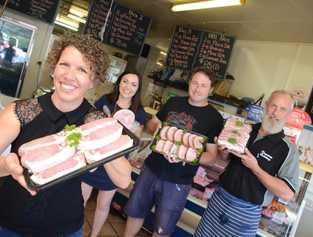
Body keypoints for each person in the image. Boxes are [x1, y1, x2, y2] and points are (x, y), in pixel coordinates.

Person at [0, 33, 132, 237]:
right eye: (64, 64)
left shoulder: (95, 121)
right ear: (54, 68)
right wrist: (6, 166)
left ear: (94, 80)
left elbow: (123, 180)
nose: (69, 76)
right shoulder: (20, 111)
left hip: (65, 228)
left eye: (82, 69)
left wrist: (102, 138)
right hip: (8, 222)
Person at [124, 67, 224, 237]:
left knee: (162, 228)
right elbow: (151, 124)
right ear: (189, 83)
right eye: (195, 83)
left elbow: (212, 158)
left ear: (211, 89)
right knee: (135, 213)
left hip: (178, 181)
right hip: (151, 169)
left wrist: (187, 155)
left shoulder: (214, 118)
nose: (197, 88)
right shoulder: (173, 102)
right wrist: (157, 128)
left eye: (203, 85)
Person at [194, 90, 300, 237]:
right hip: (219, 199)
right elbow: (224, 160)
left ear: (288, 114)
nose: (275, 112)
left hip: (245, 213)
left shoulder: (288, 150)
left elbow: (287, 193)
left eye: (282, 109)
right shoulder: (245, 129)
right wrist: (224, 152)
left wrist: (256, 168)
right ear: (266, 106)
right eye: (273, 106)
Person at [81, 71, 145, 237]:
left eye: (133, 84)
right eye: (125, 81)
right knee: (80, 199)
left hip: (116, 162)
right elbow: (89, 125)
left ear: (138, 89)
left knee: (103, 204)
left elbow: (134, 142)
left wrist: (129, 133)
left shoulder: (139, 112)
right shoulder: (105, 101)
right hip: (94, 157)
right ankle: (73, 231)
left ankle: (93, 235)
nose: (128, 87)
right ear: (119, 83)